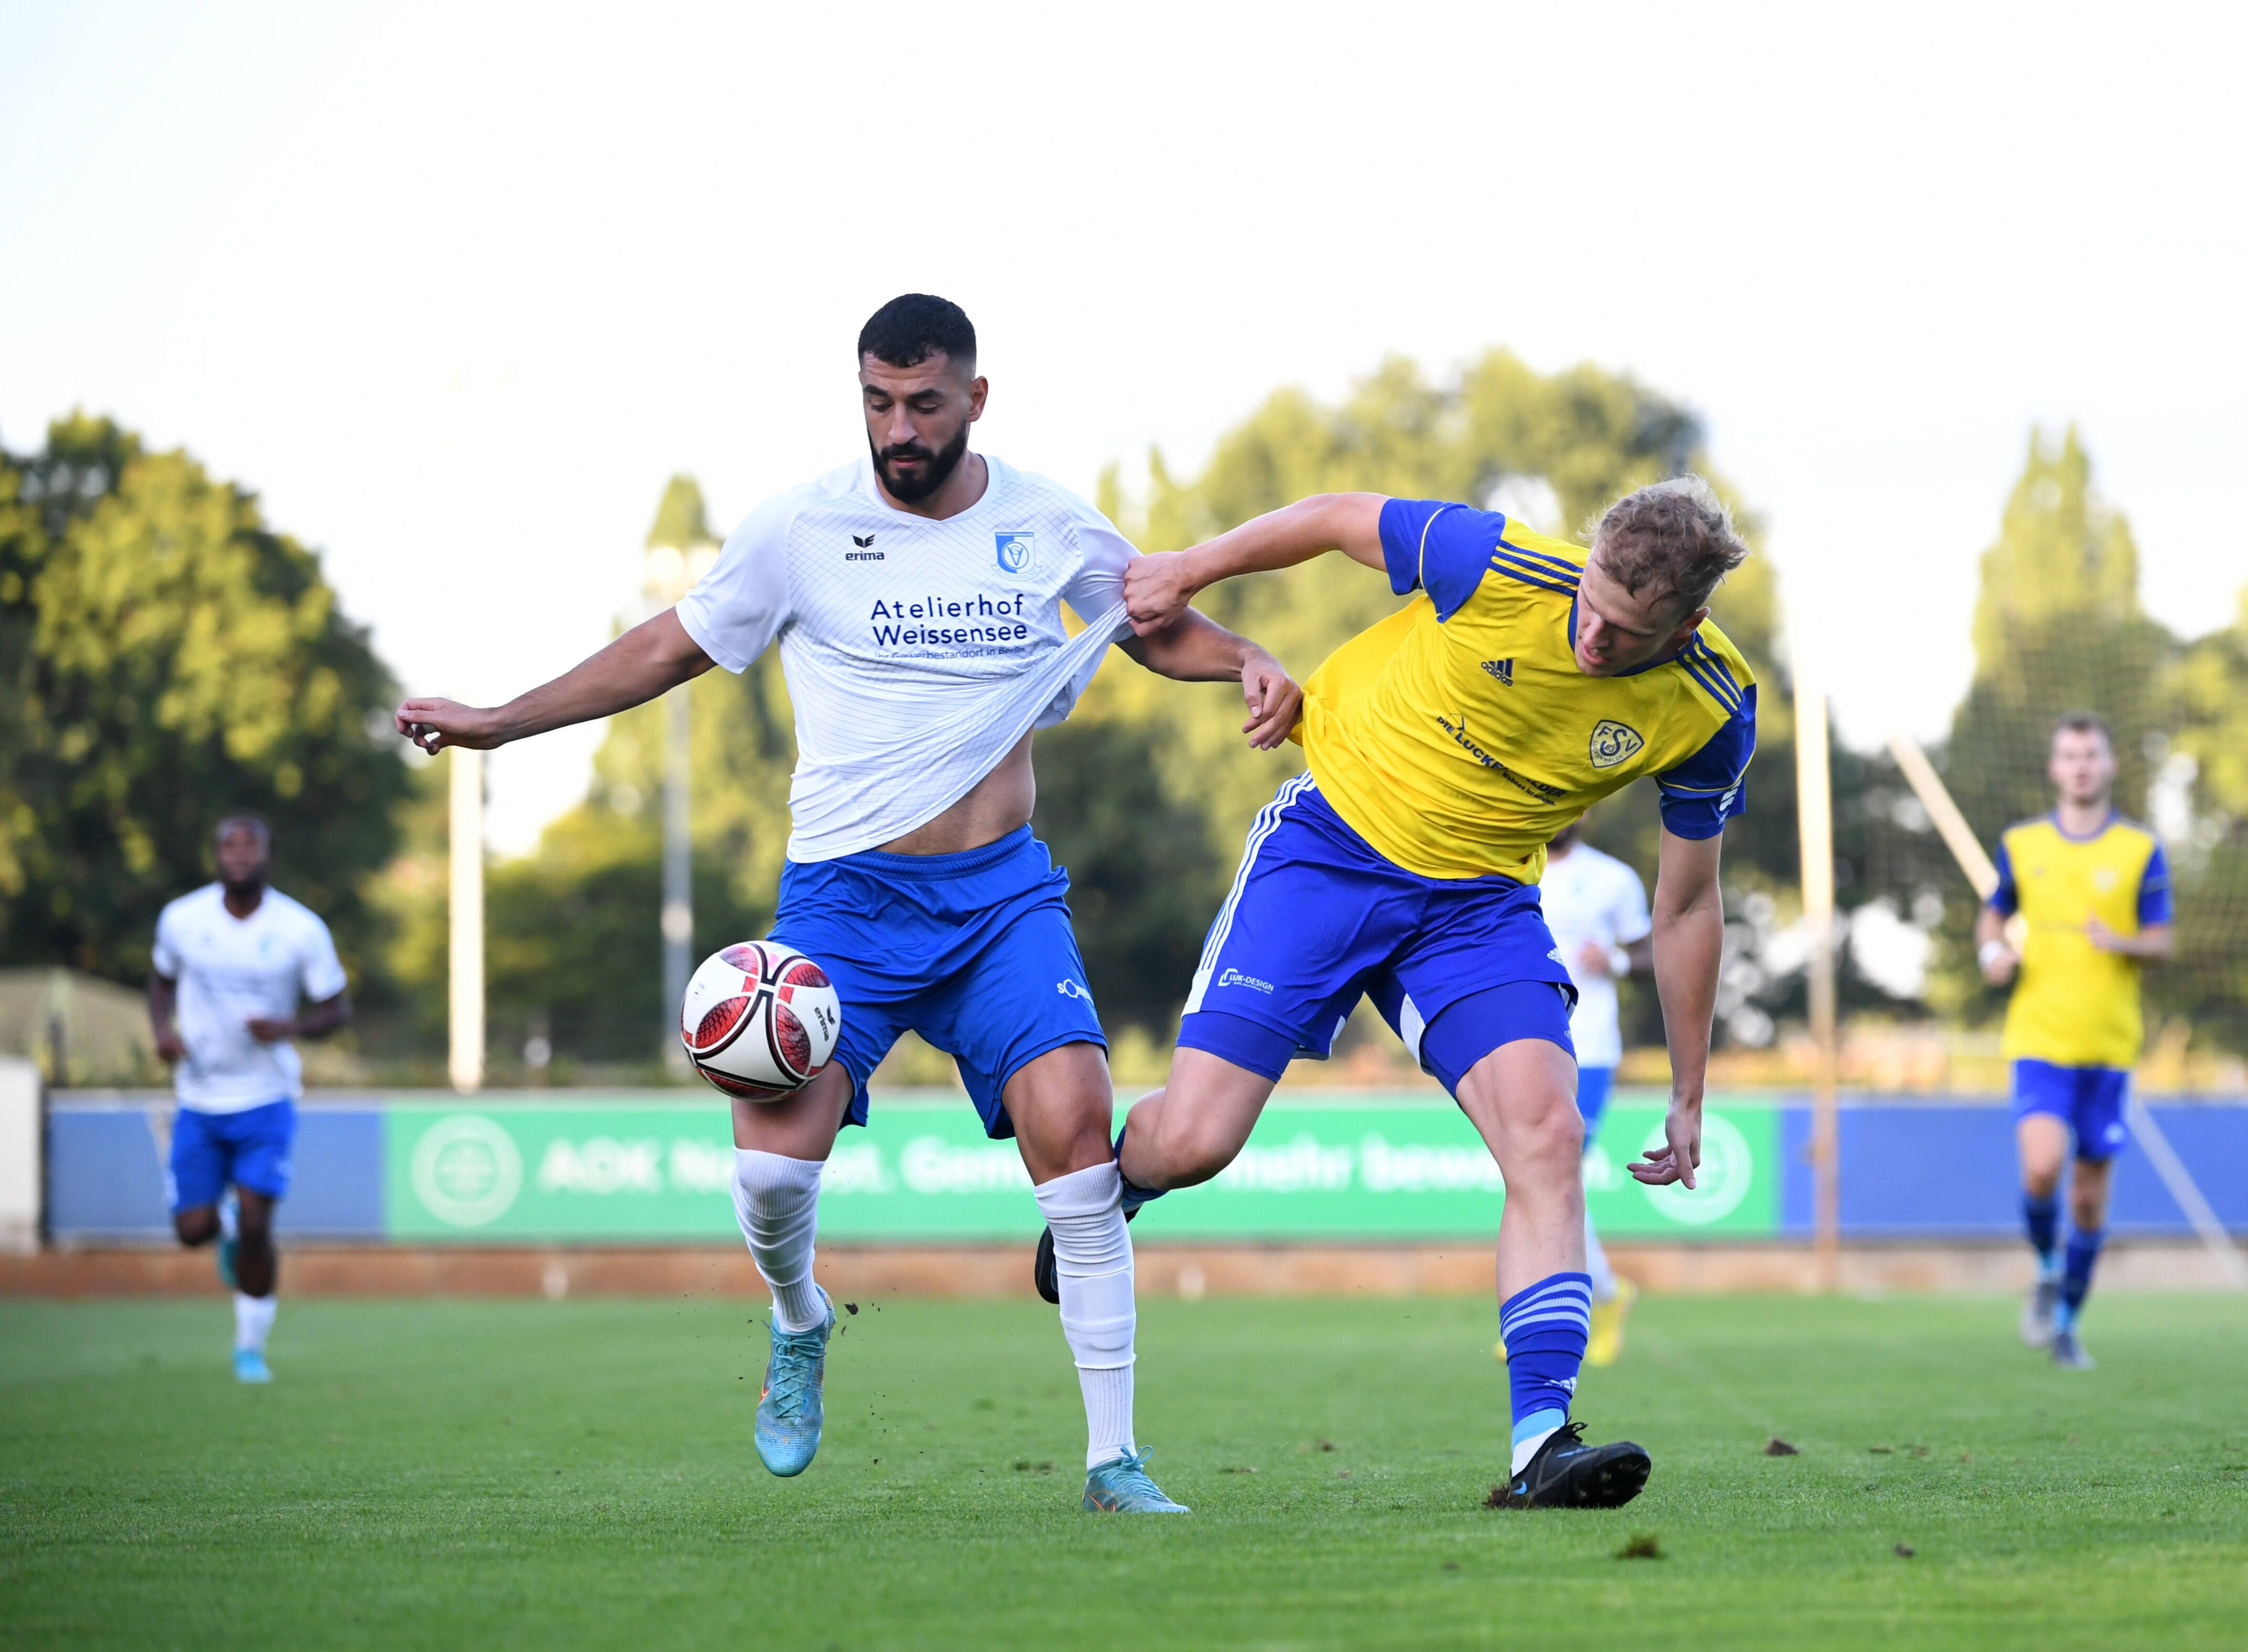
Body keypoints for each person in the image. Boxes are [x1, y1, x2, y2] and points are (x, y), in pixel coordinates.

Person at [397, 295, 1299, 1514]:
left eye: (925, 403)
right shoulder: (804, 528)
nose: (899, 428)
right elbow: (670, 644)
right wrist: (502, 719)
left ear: (976, 399)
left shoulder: (1045, 521)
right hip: (844, 901)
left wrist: (1244, 658)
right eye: (878, 401)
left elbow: (1155, 625)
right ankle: (800, 1317)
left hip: (1000, 899)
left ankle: (1113, 1460)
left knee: (1080, 1144)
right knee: (773, 1178)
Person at [1041, 477, 1757, 1509]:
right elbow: (1336, 516)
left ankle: (1540, 1443)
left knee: (1546, 1139)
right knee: (1194, 1140)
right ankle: (1120, 1190)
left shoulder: (1711, 705)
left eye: (1625, 631)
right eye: (1590, 607)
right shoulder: (1501, 564)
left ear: (1687, 623)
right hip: (1330, 849)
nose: (1592, 637)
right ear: (1584, 560)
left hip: (1475, 908)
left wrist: (1690, 1092)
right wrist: (1188, 569)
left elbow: (1688, 906)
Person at [1976, 715, 2173, 1369]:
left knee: (2087, 1195)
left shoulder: (2139, 849)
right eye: (2069, 754)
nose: (2080, 765)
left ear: (2109, 764)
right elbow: (1994, 909)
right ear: (2054, 768)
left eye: (2091, 754)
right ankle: (2043, 1265)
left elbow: (2162, 939)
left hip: (2109, 1048)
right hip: (2039, 1039)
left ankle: (2065, 1322)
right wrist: (1990, 951)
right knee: (2040, 1165)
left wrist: (2122, 942)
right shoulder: (2021, 842)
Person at [147, 813, 352, 1384]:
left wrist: (288, 1026)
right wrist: (162, 1031)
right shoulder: (183, 918)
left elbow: (338, 1008)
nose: (238, 854)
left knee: (261, 1225)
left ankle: (249, 1349)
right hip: (199, 1094)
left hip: (267, 1096)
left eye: (250, 845)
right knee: (192, 1231)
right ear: (215, 856)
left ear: (269, 854)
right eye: (227, 845)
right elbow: (160, 979)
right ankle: (225, 1228)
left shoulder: (300, 927)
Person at [1535, 814, 1652, 1365]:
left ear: (1584, 808)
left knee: (1553, 1173)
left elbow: (1657, 951)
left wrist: (1620, 960)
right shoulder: (1506, 865)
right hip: (1525, 1042)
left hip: (1592, 1048)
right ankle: (1602, 1295)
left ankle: (1558, 1317)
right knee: (1537, 1175)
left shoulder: (1614, 879)